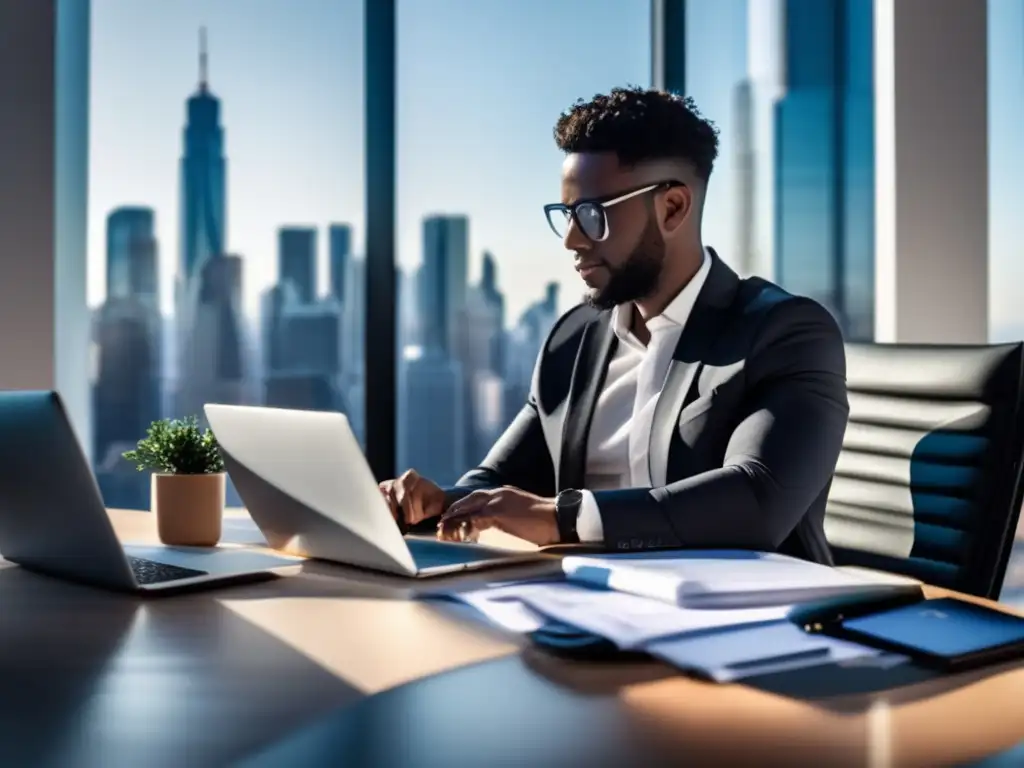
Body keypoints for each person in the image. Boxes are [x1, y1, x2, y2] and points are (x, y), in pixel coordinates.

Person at [380, 86, 848, 564]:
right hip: (589, 602)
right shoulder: (573, 338)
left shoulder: (785, 333)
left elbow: (757, 501)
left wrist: (563, 518)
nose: (571, 240)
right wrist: (440, 502)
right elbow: (501, 480)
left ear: (672, 208)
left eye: (592, 214)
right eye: (566, 214)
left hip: (754, 618)